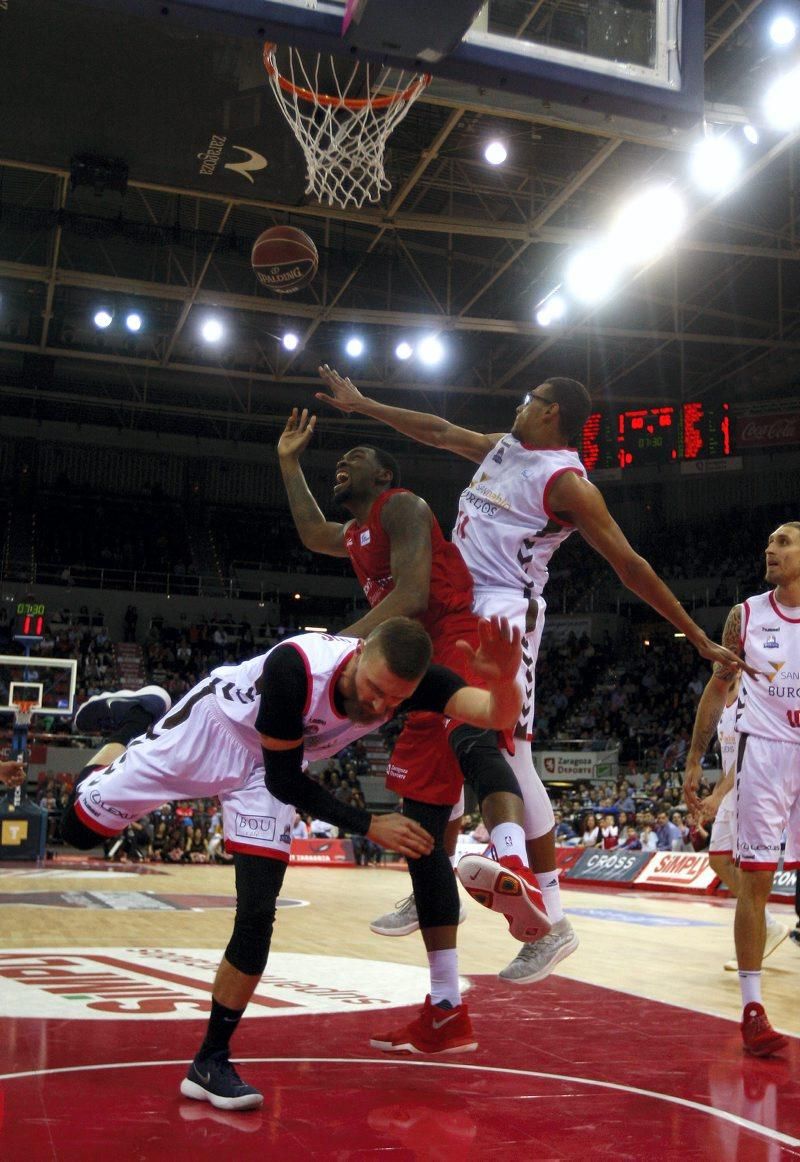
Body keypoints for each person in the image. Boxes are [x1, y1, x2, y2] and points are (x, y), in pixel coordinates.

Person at [314, 364, 747, 985]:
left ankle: (548, 913)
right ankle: (440, 880)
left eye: (529, 399)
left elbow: (628, 563)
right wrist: (364, 405)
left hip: (502, 611)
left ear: (551, 413)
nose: (518, 404)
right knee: (443, 743)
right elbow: (437, 430)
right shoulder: (506, 449)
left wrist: (698, 636)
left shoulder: (567, 483)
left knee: (495, 751)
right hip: (454, 603)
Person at [61, 614, 526, 1107]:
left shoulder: (413, 683)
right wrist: (370, 824)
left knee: (258, 912)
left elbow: (497, 714)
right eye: (374, 689)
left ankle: (210, 1061)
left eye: (395, 700)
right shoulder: (295, 668)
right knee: (80, 831)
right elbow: (287, 781)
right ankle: (136, 720)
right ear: (360, 650)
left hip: (266, 772)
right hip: (211, 733)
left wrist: (505, 679)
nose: (378, 705)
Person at [277, 410, 553, 1008]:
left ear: (384, 473)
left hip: (453, 634)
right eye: (338, 460)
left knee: (475, 738)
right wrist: (288, 462)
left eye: (355, 458)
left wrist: (337, 646)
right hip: (412, 656)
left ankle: (515, 865)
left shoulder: (401, 505)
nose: (342, 465)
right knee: (422, 812)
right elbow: (309, 532)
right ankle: (446, 1005)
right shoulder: (354, 534)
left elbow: (412, 594)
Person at [685, 521, 800, 1057]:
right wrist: (693, 759)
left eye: (783, 542)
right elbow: (718, 686)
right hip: (766, 755)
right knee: (753, 881)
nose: (769, 548)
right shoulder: (746, 615)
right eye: (770, 541)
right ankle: (753, 1007)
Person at [687, 672, 788, 972]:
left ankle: (753, 941)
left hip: (751, 787)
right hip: (730, 790)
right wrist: (712, 799)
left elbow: (746, 755)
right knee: (718, 860)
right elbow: (729, 759)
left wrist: (718, 796)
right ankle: (767, 925)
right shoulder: (722, 704)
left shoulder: (749, 697)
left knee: (745, 867)